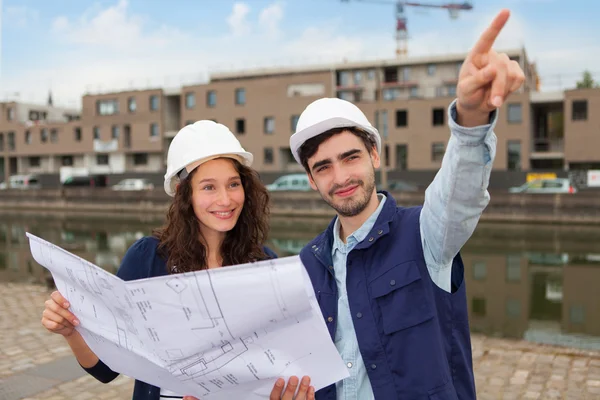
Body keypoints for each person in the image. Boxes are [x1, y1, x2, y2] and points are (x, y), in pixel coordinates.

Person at [288, 9, 524, 400]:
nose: (341, 177)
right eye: (324, 167)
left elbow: (459, 194)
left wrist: (471, 118)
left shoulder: (427, 234)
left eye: (350, 157)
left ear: (375, 156)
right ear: (312, 180)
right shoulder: (308, 264)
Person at [41, 120, 315, 400]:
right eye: (209, 187)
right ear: (186, 195)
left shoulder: (263, 262)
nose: (225, 199)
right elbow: (106, 370)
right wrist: (71, 331)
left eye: (233, 184)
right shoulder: (148, 258)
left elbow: (274, 366)